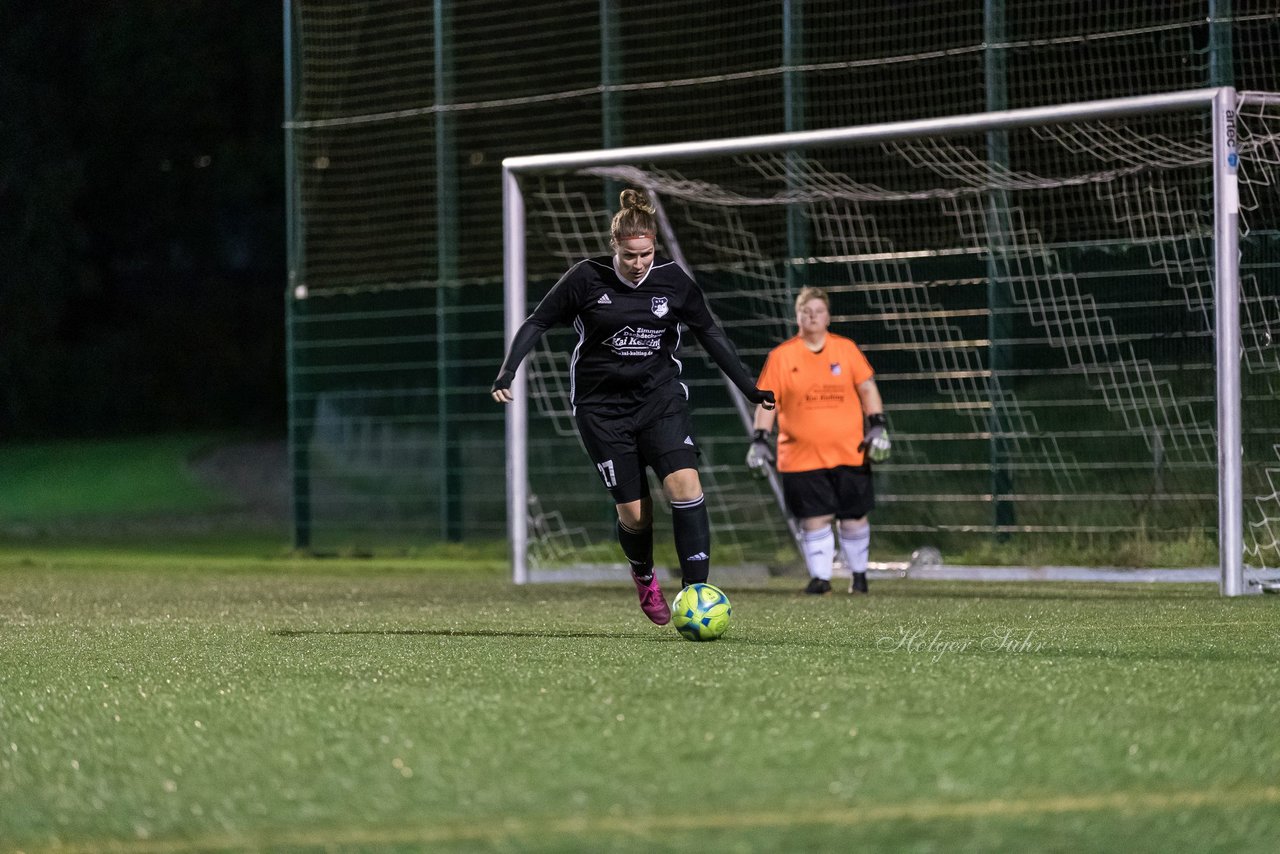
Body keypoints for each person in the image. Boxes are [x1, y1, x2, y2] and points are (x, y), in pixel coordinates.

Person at [492, 188, 775, 625]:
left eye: (645, 254)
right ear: (615, 248)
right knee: (636, 515)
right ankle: (643, 575)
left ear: (654, 247)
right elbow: (538, 321)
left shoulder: (674, 282)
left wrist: (749, 387)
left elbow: (710, 333)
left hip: (659, 400)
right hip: (601, 409)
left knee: (685, 486)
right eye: (629, 256)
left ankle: (696, 594)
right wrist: (508, 370)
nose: (638, 264)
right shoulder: (586, 278)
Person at [746, 286, 890, 595]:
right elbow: (767, 402)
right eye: (806, 312)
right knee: (814, 519)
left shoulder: (846, 349)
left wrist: (877, 425)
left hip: (850, 452)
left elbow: (867, 389)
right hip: (800, 456)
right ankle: (820, 579)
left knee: (853, 516)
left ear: (828, 316)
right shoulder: (782, 356)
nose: (812, 317)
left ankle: (860, 577)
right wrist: (759, 439)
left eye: (818, 311)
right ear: (797, 315)